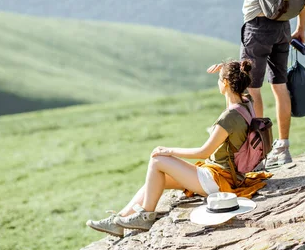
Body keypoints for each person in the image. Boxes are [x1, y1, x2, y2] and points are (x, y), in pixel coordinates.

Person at [86, 60, 272, 237]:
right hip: (226, 175)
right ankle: (119, 222)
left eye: (219, 81)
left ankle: (145, 216)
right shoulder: (246, 103)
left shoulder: (228, 118)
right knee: (156, 179)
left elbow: (203, 152)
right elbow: (234, 94)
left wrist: (170, 151)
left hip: (216, 180)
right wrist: (226, 70)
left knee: (158, 160)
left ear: (225, 83)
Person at [207, 0, 305, 167]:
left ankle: (258, 154)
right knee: (280, 86)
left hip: (257, 26)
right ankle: (283, 148)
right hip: (284, 25)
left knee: (252, 90)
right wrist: (301, 28)